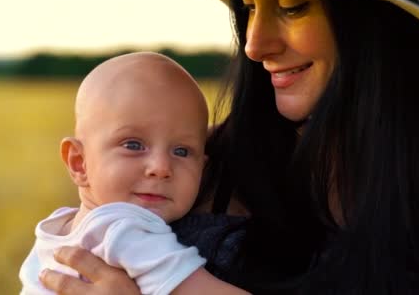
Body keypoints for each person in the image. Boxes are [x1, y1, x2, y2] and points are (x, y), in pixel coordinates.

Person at [40, 0, 419, 294]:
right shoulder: (187, 177)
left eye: (291, 6)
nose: (254, 44)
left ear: (379, 25)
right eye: (248, 7)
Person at [19, 52, 249, 294]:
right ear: (79, 162)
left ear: (202, 168)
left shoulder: (52, 233)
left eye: (181, 151)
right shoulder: (127, 232)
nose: (161, 168)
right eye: (133, 145)